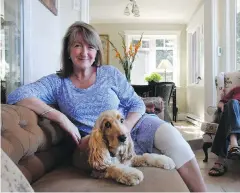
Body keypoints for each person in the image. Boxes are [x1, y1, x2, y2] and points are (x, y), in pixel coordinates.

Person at [7, 21, 207, 192]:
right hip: (102, 141)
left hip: (134, 125)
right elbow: (17, 94)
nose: (84, 52)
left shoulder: (109, 73)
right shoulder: (57, 83)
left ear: (96, 51)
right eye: (77, 45)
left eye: (90, 47)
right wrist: (60, 118)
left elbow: (136, 104)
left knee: (175, 141)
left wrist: (126, 128)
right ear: (68, 51)